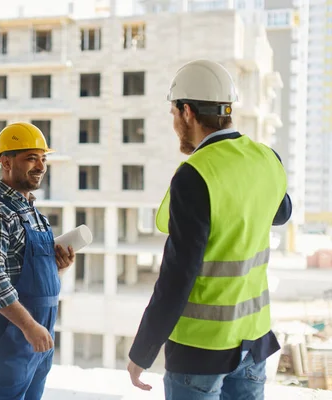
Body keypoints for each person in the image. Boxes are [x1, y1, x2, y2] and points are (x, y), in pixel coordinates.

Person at [126, 59, 293, 399]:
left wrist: (142, 351)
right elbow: (282, 213)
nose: (174, 124)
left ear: (187, 111)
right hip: (253, 340)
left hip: (201, 350)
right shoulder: (266, 158)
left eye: (174, 114)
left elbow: (177, 276)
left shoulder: (195, 174)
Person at [0, 122, 76, 400]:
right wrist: (28, 326)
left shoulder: (36, 215)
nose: (40, 166)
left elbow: (27, 275)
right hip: (9, 337)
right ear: (5, 161)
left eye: (43, 158)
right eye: (30, 158)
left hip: (38, 334)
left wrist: (57, 267)